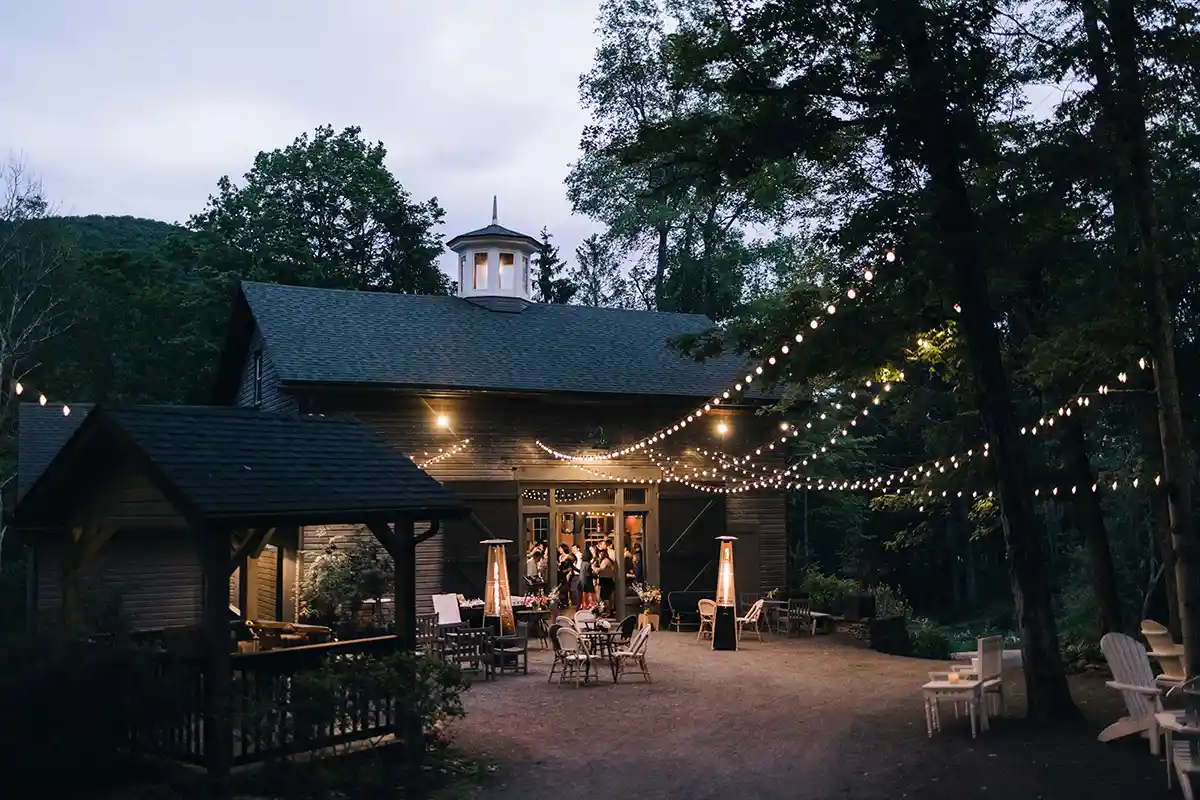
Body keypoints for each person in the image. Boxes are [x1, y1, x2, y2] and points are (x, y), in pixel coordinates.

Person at [596, 540, 616, 617]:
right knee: (607, 596)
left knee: (605, 597)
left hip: (606, 580)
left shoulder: (605, 560)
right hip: (607, 579)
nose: (599, 555)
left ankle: (608, 612)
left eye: (600, 554)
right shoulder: (608, 560)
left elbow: (601, 569)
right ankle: (609, 611)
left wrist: (594, 568)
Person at [556, 544, 575, 608]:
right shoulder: (560, 557)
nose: (559, 550)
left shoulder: (568, 556)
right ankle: (561, 602)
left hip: (567, 574)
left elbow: (571, 565)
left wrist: (568, 573)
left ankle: (566, 602)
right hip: (561, 573)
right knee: (560, 588)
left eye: (560, 548)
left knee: (565, 588)